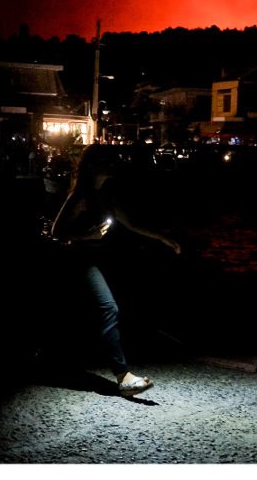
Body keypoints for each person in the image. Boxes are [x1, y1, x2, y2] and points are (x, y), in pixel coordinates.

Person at [50, 144, 181, 397]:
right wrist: (86, 235)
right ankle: (123, 377)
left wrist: (161, 237)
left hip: (99, 259)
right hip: (80, 260)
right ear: (93, 166)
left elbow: (130, 223)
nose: (113, 164)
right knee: (108, 308)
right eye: (106, 160)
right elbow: (58, 232)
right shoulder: (80, 196)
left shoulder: (104, 196)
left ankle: (53, 356)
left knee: (89, 312)